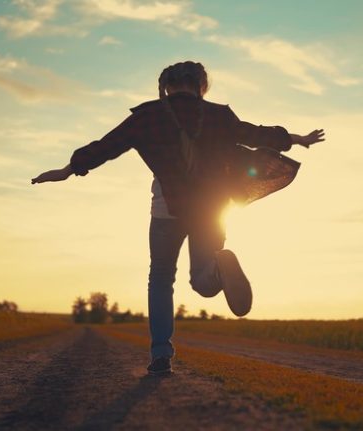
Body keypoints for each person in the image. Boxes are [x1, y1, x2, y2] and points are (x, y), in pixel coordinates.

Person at [31, 61, 325, 375]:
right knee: (202, 282)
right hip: (210, 211)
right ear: (201, 85)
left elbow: (106, 147)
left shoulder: (147, 117)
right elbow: (257, 135)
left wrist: (68, 169)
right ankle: (219, 268)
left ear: (167, 87)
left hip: (166, 213)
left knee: (160, 278)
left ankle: (161, 355)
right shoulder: (219, 115)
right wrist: (297, 139)